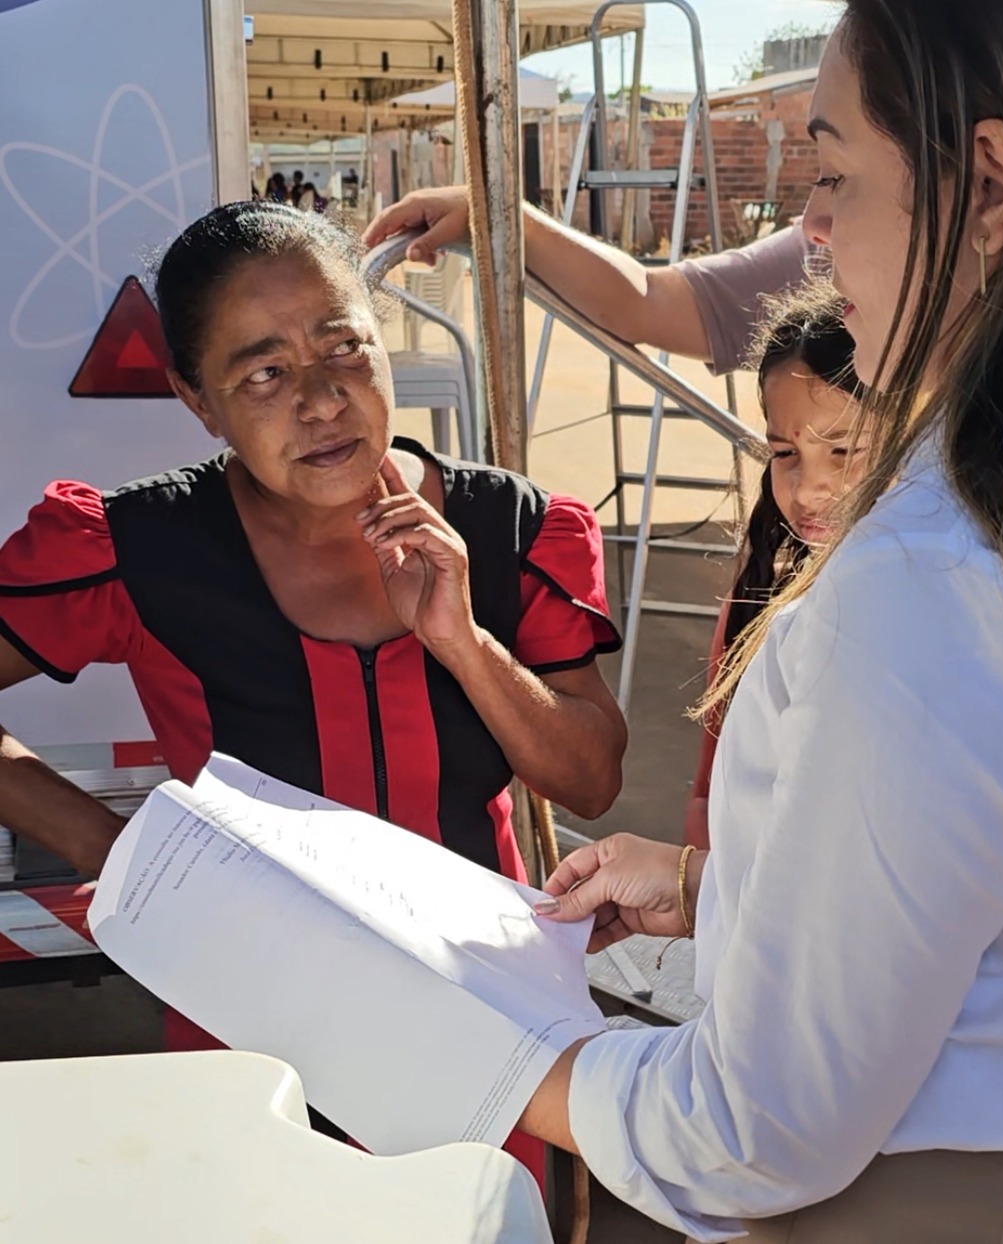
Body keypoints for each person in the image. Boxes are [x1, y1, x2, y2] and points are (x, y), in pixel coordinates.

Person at [517, 1, 1003, 1239]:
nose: (808, 230)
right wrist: (724, 881)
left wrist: (493, 1047)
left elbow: (752, 1132)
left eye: (831, 172)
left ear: (989, 186)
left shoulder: (941, 577)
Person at [0, 199, 627, 1186]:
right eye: (264, 373)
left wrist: (463, 641)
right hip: (244, 1029)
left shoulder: (510, 531)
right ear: (198, 402)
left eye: (346, 348)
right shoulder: (139, 551)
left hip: (483, 1024)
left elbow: (588, 776)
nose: (323, 398)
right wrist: (111, 846)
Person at [685, 297, 863, 851]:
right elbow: (707, 793)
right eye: (785, 453)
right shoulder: (759, 598)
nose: (809, 489)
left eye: (844, 451)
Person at [364, 185, 815, 379]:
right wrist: (499, 214)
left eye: (842, 174)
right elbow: (646, 301)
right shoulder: (820, 253)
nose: (814, 216)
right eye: (821, 174)